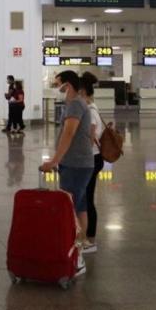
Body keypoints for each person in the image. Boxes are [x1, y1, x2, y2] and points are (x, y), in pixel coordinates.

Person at [39, 70, 96, 250]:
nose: (57, 88)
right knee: (79, 203)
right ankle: (81, 240)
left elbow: (69, 133)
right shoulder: (75, 103)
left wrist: (55, 160)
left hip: (76, 163)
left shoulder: (75, 105)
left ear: (68, 85)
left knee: (72, 203)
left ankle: (79, 242)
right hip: (76, 162)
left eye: (58, 85)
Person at [79, 72, 105, 254]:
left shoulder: (90, 111)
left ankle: (90, 239)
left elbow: (90, 139)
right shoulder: (89, 108)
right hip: (91, 159)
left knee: (87, 199)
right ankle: (86, 237)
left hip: (91, 160)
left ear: (82, 92)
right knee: (85, 197)